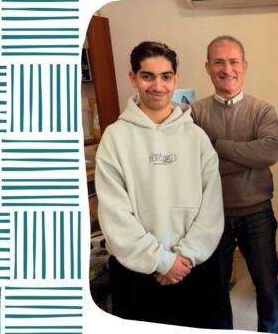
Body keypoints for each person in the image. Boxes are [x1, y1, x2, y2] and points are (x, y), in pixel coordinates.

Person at [95, 41, 224, 328]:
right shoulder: (115, 138)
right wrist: (161, 261)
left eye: (165, 76)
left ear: (175, 79)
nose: (158, 85)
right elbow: (115, 214)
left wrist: (183, 257)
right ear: (133, 78)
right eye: (147, 76)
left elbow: (212, 209)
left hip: (193, 267)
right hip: (138, 272)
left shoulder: (196, 138)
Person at [191, 35, 278, 333]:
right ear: (207, 67)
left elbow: (269, 152)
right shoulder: (195, 113)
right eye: (219, 62)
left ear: (244, 66)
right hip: (211, 216)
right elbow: (194, 165)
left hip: (258, 214)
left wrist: (216, 147)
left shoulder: (263, 110)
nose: (227, 69)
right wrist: (248, 157)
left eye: (233, 62)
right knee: (214, 289)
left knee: (267, 287)